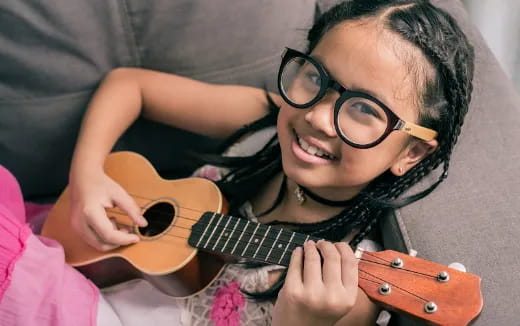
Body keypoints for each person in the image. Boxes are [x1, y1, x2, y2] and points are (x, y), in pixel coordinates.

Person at [0, 0, 474, 325]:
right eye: (316, 78)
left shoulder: (347, 288)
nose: (317, 117)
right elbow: (130, 85)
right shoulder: (266, 120)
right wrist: (86, 175)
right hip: (79, 261)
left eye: (364, 109)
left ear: (411, 151)